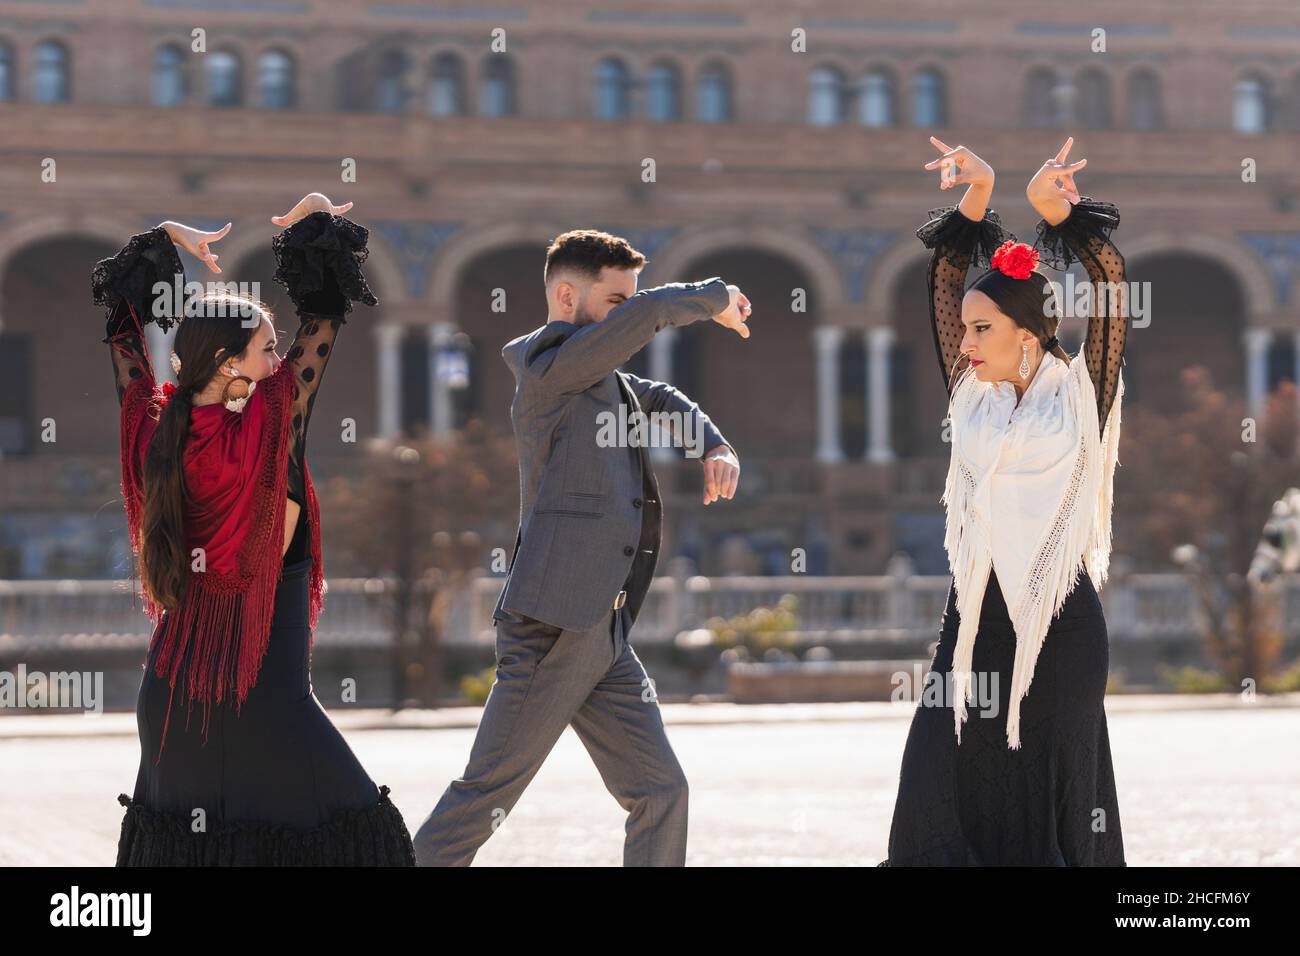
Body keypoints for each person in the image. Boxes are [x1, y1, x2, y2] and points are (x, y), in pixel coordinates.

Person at [412, 229, 750, 866]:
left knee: (660, 790)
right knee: (487, 794)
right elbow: (651, 315)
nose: (629, 311)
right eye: (615, 300)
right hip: (550, 626)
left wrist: (715, 445)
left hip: (600, 628)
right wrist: (715, 298)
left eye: (628, 300)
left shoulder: (604, 384)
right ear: (567, 296)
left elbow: (662, 398)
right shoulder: (550, 372)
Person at [99, 192, 416, 865]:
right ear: (228, 364)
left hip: (173, 705)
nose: (279, 360)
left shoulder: (148, 429)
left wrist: (159, 241)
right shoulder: (273, 422)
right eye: (267, 349)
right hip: (264, 706)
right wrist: (314, 221)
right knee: (369, 847)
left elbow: (125, 335)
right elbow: (327, 314)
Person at [881, 138, 1127, 865]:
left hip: (1060, 631)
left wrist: (1064, 216)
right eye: (967, 328)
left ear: (1029, 334)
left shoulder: (1083, 395)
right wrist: (978, 194)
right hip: (973, 626)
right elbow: (944, 277)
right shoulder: (969, 398)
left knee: (1045, 808)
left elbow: (1110, 288)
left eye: (983, 329)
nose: (966, 343)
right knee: (935, 787)